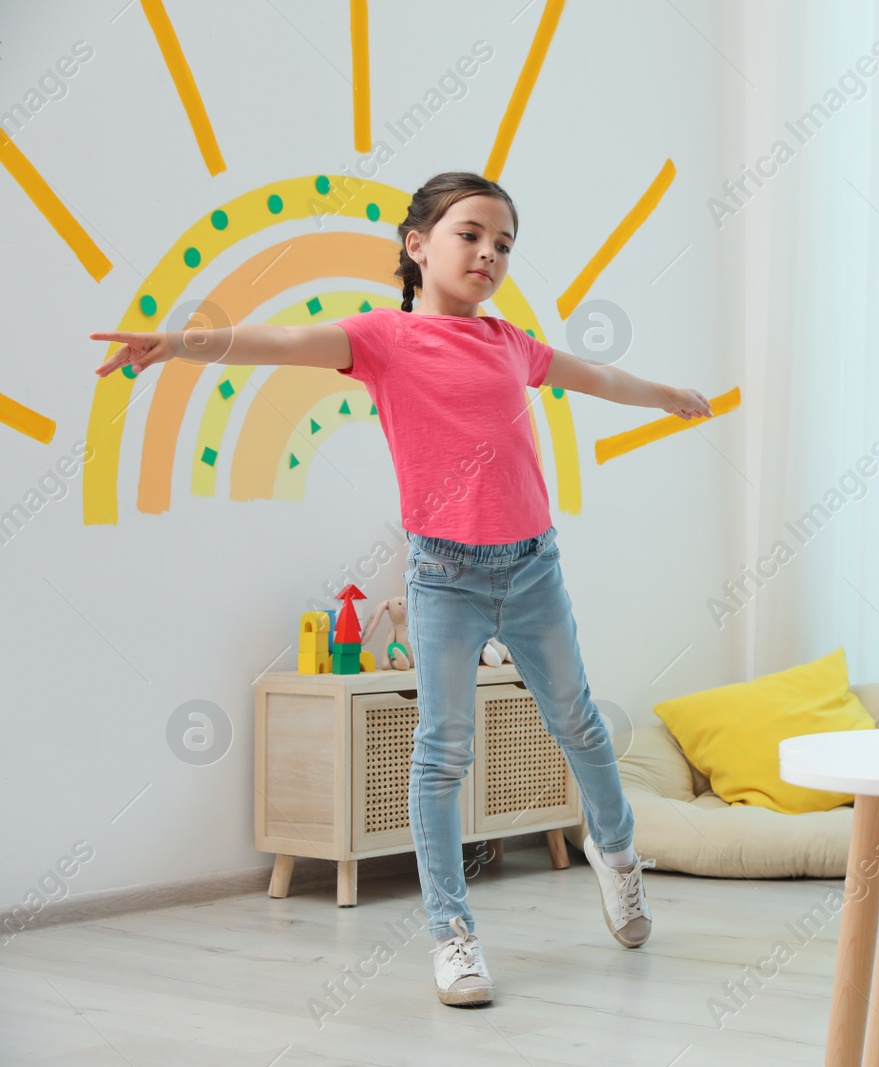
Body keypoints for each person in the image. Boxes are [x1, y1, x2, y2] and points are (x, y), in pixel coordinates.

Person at [90, 170, 712, 1008]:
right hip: (443, 577)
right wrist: (177, 343)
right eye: (470, 235)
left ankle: (619, 855)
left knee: (578, 718)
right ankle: (453, 935)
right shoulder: (380, 338)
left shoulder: (508, 342)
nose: (488, 253)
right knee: (442, 750)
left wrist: (666, 394)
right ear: (417, 245)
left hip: (532, 566)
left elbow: (590, 376)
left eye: (503, 244)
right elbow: (277, 343)